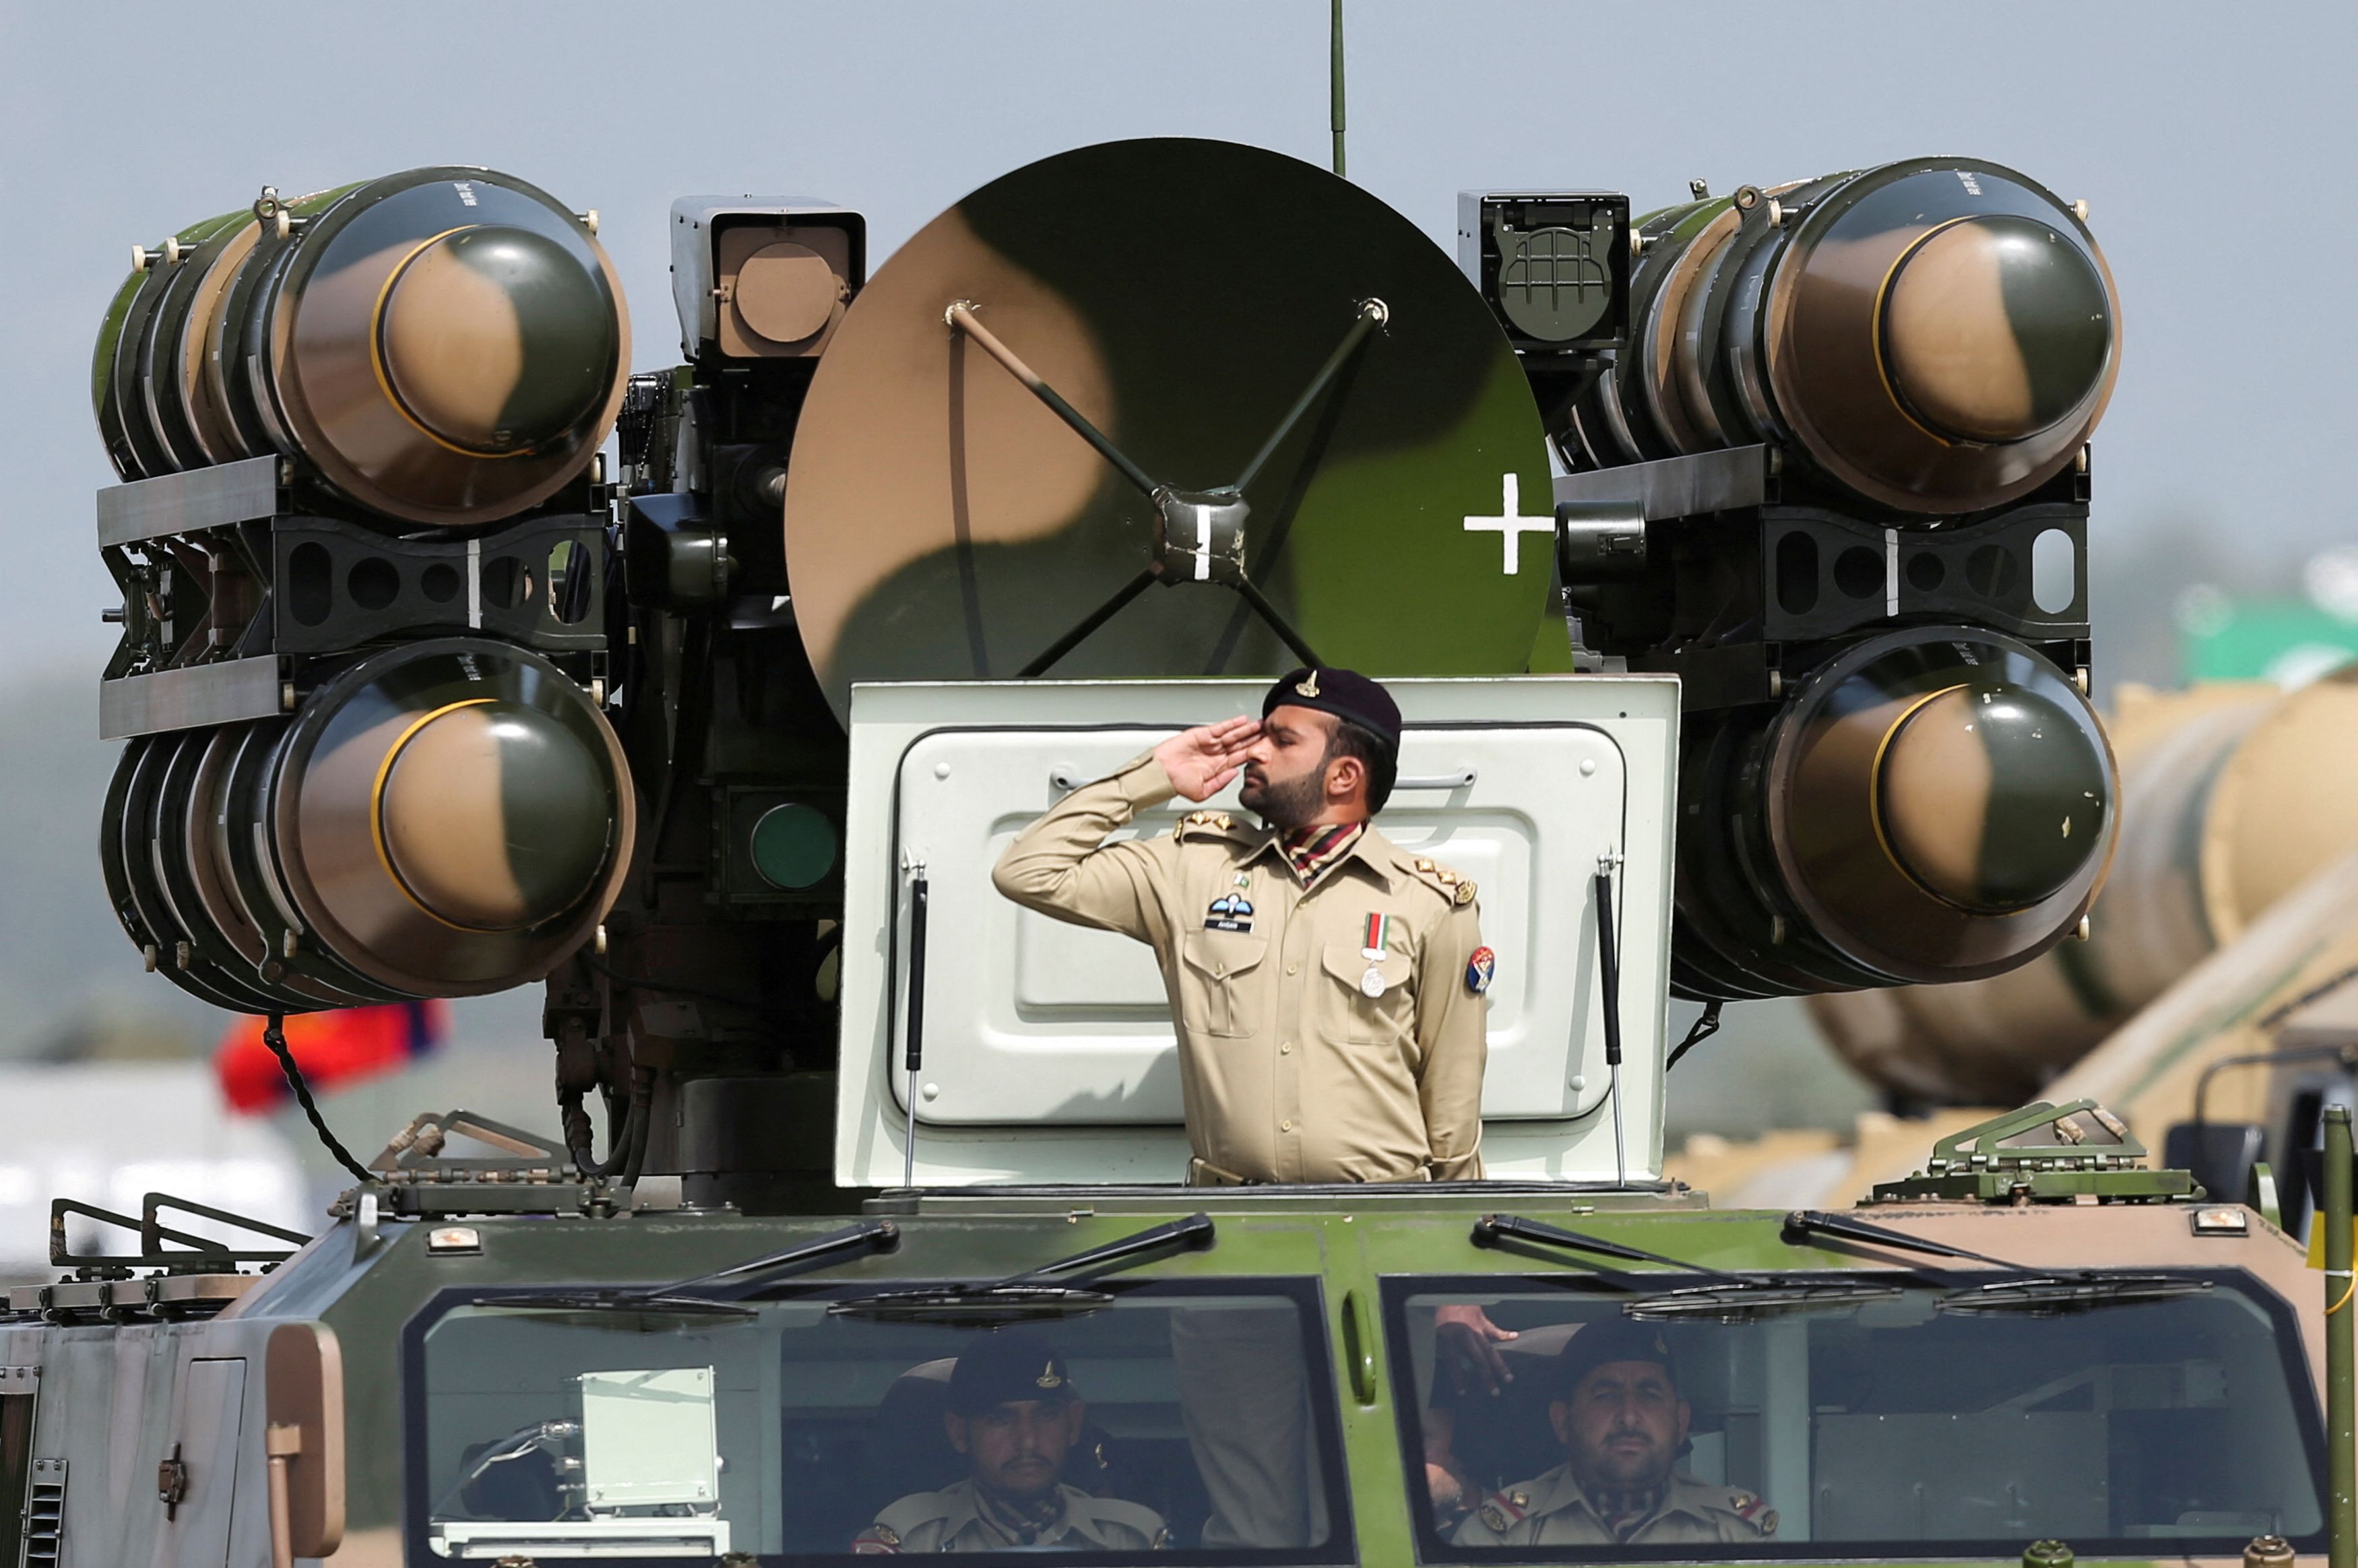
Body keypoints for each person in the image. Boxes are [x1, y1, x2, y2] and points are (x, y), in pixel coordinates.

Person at [992, 665, 1491, 1185]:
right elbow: (1027, 872)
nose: (1255, 752)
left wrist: (1457, 1224)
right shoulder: (1191, 869)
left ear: (1344, 775)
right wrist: (1154, 776)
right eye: (1259, 735)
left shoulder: (1429, 902)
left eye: (1282, 741)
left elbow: (1452, 1093)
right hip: (1228, 1221)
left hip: (1380, 1219)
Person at [1452, 1319, 1777, 1547]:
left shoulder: (1734, 1530)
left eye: (1649, 1393)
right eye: (1606, 1395)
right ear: (1563, 1422)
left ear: (1681, 1422)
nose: (1629, 1416)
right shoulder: (1504, 1535)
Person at [854, 1333, 1169, 1553]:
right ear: (960, 1432)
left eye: (1046, 1416)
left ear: (1073, 1425)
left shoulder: (1132, 1538)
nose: (1028, 1441)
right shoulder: (909, 1540)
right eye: (1000, 1420)